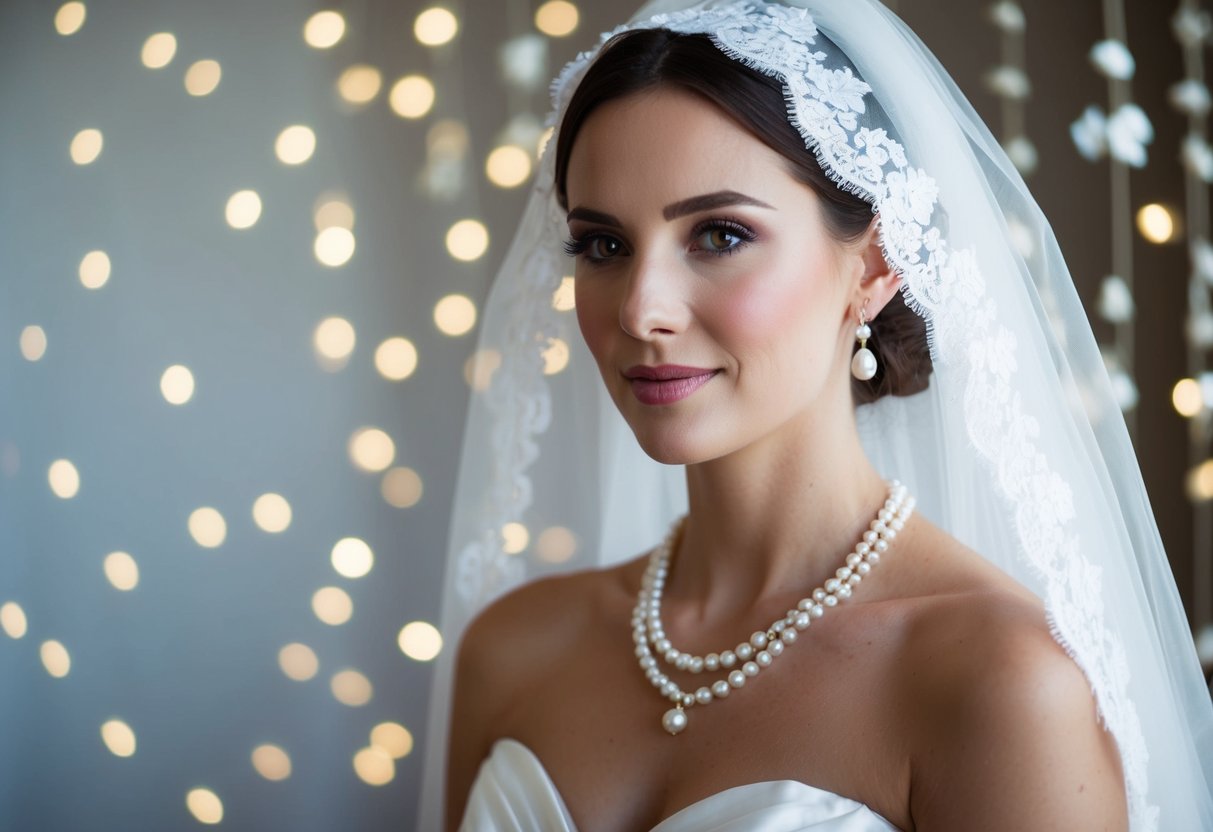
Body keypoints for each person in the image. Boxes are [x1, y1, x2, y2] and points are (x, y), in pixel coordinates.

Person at [420, 1, 1213, 829]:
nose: (640, 311)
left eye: (719, 235)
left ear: (873, 266)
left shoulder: (996, 683)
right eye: (603, 246)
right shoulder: (513, 648)